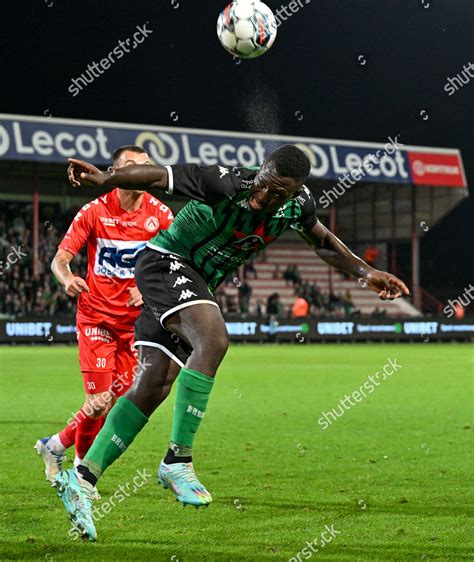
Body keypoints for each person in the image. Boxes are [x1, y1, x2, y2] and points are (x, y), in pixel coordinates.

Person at [55, 144, 409, 540]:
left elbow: (323, 242)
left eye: (277, 194)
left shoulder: (298, 206)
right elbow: (157, 176)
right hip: (164, 262)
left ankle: (82, 479)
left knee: (153, 382)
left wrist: (365, 272)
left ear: (293, 195)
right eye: (264, 185)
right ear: (259, 172)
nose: (264, 197)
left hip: (193, 284)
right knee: (214, 338)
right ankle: (177, 459)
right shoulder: (223, 182)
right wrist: (106, 179)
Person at [34, 146, 178, 485]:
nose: (141, 172)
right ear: (116, 172)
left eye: (146, 167)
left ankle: (54, 446)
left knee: (115, 402)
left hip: (135, 326)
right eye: (132, 167)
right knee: (98, 401)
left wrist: (148, 288)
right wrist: (67, 278)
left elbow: (175, 262)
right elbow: (60, 259)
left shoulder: (160, 214)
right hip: (97, 319)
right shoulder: (94, 212)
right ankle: (82, 476)